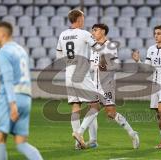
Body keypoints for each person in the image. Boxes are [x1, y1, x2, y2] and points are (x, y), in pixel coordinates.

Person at [0, 21, 43, 160]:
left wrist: (12, 104)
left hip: (11, 98)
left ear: (2, 34)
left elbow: (8, 79)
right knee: (21, 143)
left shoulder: (4, 51)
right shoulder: (21, 50)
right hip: (26, 98)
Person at [87, 24, 139, 149]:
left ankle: (132, 133)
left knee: (110, 113)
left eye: (96, 30)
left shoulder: (110, 46)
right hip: (95, 83)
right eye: (92, 30)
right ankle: (93, 141)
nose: (93, 32)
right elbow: (92, 65)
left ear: (103, 31)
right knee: (91, 111)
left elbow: (115, 66)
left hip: (107, 83)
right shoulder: (92, 47)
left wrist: (104, 66)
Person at [56, 9, 100, 149]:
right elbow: (98, 47)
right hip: (81, 73)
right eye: (83, 17)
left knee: (76, 106)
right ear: (79, 19)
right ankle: (80, 133)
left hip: (69, 74)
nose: (84, 20)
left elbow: (59, 57)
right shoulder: (85, 34)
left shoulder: (62, 35)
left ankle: (77, 144)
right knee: (95, 104)